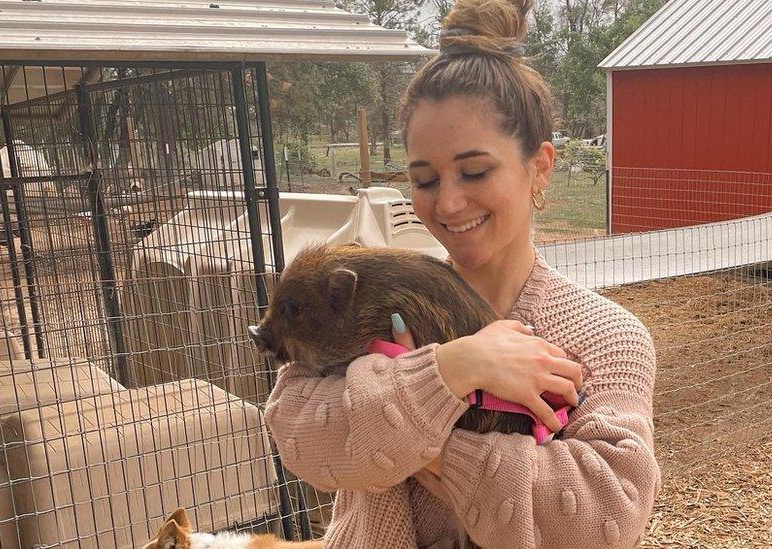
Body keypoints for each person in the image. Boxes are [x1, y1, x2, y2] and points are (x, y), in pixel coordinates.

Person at [263, 0, 660, 546]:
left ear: (540, 166)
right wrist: (452, 370)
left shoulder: (606, 337)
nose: (448, 204)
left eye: (474, 171)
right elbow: (296, 432)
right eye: (424, 180)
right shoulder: (372, 291)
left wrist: (426, 432)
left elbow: (604, 514)